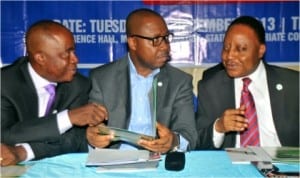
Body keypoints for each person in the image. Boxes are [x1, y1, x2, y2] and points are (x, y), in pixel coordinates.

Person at [86, 8, 197, 153]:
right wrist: (93, 138)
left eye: (166, 37)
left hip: (159, 162)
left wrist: (173, 141)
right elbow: (93, 128)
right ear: (133, 43)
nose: (165, 46)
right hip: (114, 162)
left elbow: (189, 135)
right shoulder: (102, 78)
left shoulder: (179, 81)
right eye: (155, 40)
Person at [1, 20, 108, 166]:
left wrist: (22, 152)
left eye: (74, 51)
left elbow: (75, 140)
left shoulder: (78, 85)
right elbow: (4, 136)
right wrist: (68, 118)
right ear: (41, 58)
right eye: (66, 54)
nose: (75, 59)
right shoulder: (5, 83)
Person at [195, 16, 299, 150]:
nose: (230, 56)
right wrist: (219, 127)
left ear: (260, 51)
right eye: (226, 48)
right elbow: (197, 141)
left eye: (241, 49)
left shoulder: (293, 84)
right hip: (232, 166)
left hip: (285, 162)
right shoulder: (210, 87)